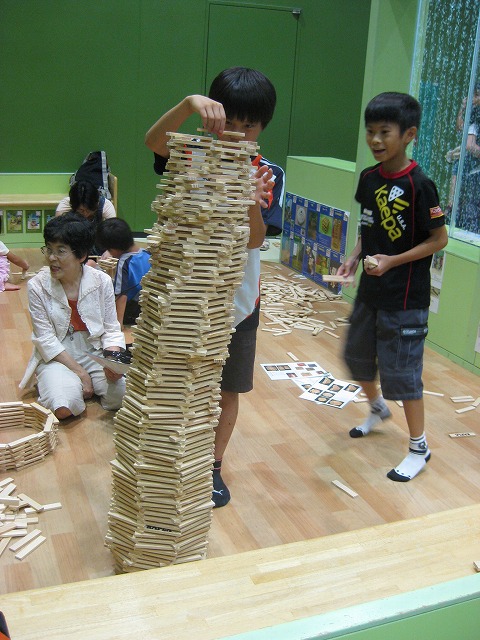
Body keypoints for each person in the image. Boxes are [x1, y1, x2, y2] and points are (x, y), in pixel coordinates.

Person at [145, 66, 279, 506]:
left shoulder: (266, 171)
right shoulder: (191, 152)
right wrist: (188, 104)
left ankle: (212, 466)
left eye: (249, 125)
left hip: (236, 301)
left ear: (263, 126)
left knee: (227, 388)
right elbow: (153, 141)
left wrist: (250, 201)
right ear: (212, 116)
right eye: (229, 122)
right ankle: (169, 458)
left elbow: (255, 240)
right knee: (176, 378)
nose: (236, 134)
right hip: (183, 294)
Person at [337, 92, 448, 482]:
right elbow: (368, 226)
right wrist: (354, 257)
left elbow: (439, 240)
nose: (375, 140)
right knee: (356, 357)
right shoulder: (369, 178)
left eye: (385, 132)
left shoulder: (421, 184)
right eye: (370, 131)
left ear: (409, 135)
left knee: (403, 376)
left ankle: (419, 448)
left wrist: (392, 261)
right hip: (371, 293)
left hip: (405, 299)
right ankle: (377, 409)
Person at [19, 212, 126, 420]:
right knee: (63, 407)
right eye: (49, 249)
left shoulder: (101, 281)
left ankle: (76, 385)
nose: (51, 257)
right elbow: (45, 339)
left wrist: (112, 360)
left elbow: (112, 328)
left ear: (82, 255)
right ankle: (62, 383)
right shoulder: (37, 286)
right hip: (58, 355)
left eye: (60, 251)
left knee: (124, 397)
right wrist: (81, 373)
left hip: (94, 350)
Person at [96, 218, 151, 327]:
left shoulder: (124, 262)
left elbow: (121, 295)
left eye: (109, 250)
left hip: (132, 310)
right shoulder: (147, 254)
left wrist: (118, 325)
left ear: (115, 248)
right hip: (147, 309)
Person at [56, 180, 116, 256]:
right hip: (75, 249)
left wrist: (109, 251)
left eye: (89, 210)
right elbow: (57, 230)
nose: (85, 214)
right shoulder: (66, 204)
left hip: (99, 250)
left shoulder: (105, 205)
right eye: (81, 210)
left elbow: (114, 233)